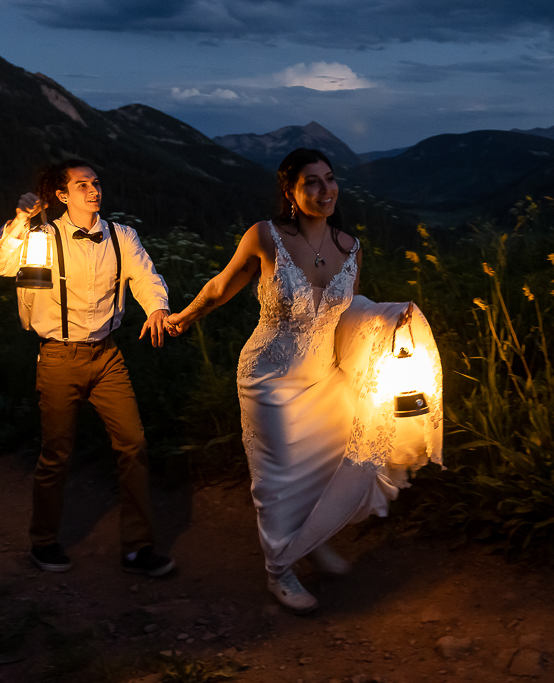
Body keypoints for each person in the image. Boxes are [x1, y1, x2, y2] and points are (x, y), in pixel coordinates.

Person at [165, 148, 443, 613]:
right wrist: (184, 317)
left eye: (329, 179)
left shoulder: (349, 246)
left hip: (323, 376)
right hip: (268, 375)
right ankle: (280, 569)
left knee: (327, 465)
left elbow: (352, 313)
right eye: (311, 182)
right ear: (290, 192)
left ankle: (310, 540)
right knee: (277, 477)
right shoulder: (265, 237)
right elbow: (220, 286)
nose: (325, 189)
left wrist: (394, 316)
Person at [0, 159, 176, 578]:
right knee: (56, 454)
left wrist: (157, 308)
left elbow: (145, 276)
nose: (93, 190)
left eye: (96, 183)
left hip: (107, 357)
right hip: (58, 357)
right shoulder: (41, 238)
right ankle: (44, 542)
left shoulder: (121, 236)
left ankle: (138, 548)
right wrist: (19, 219)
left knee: (134, 445)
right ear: (62, 195)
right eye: (82, 184)